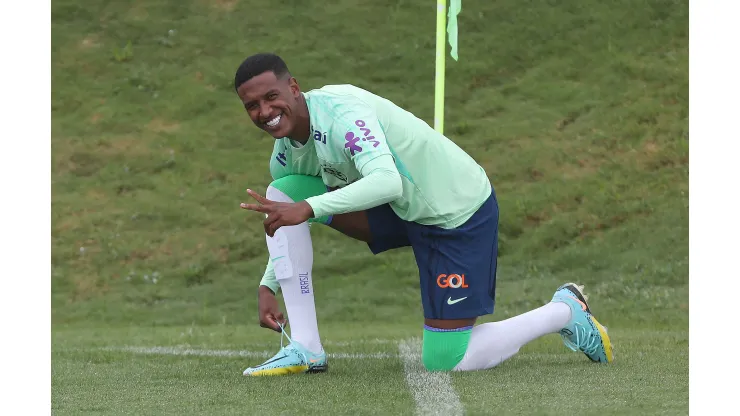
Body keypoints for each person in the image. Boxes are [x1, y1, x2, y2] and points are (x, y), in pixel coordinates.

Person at [234, 53, 613, 376]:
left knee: (447, 360)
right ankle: (306, 348)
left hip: (455, 209)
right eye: (253, 105)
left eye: (272, 97)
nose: (265, 111)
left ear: (294, 88)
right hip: (400, 211)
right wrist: (270, 284)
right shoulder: (285, 154)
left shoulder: (341, 113)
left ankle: (563, 310)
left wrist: (310, 207)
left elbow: (387, 182)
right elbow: (286, 217)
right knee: (281, 191)